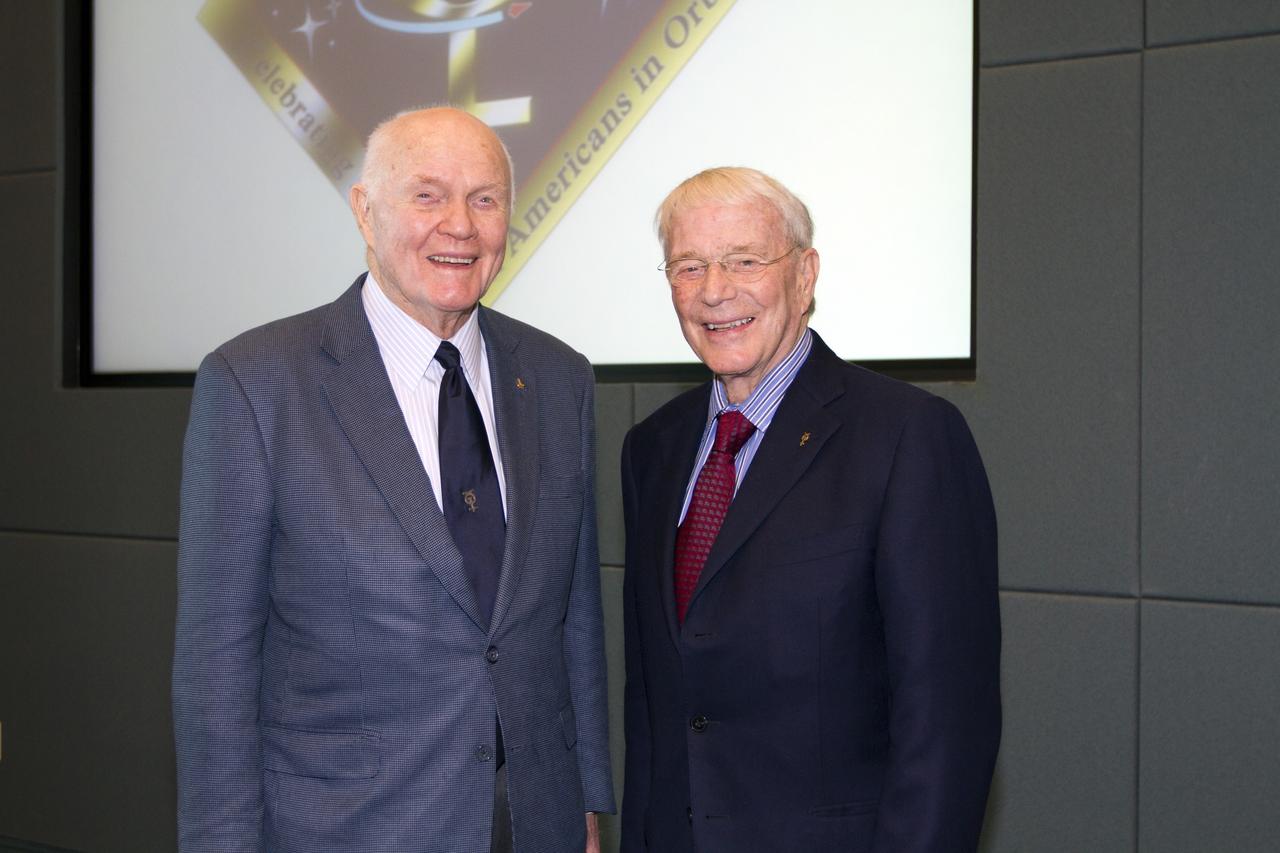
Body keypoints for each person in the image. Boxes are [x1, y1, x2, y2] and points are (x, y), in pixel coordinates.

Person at [174, 107, 614, 853]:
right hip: (349, 828)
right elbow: (215, 671)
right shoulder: (255, 385)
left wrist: (589, 801)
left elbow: (573, 620)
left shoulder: (559, 378)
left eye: (484, 199)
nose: (460, 226)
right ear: (364, 209)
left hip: (534, 821)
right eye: (427, 195)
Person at [620, 167, 1000, 852]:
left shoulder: (907, 437)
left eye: (745, 260)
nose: (715, 290)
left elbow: (948, 724)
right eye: (690, 266)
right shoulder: (653, 449)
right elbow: (654, 709)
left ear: (805, 274)